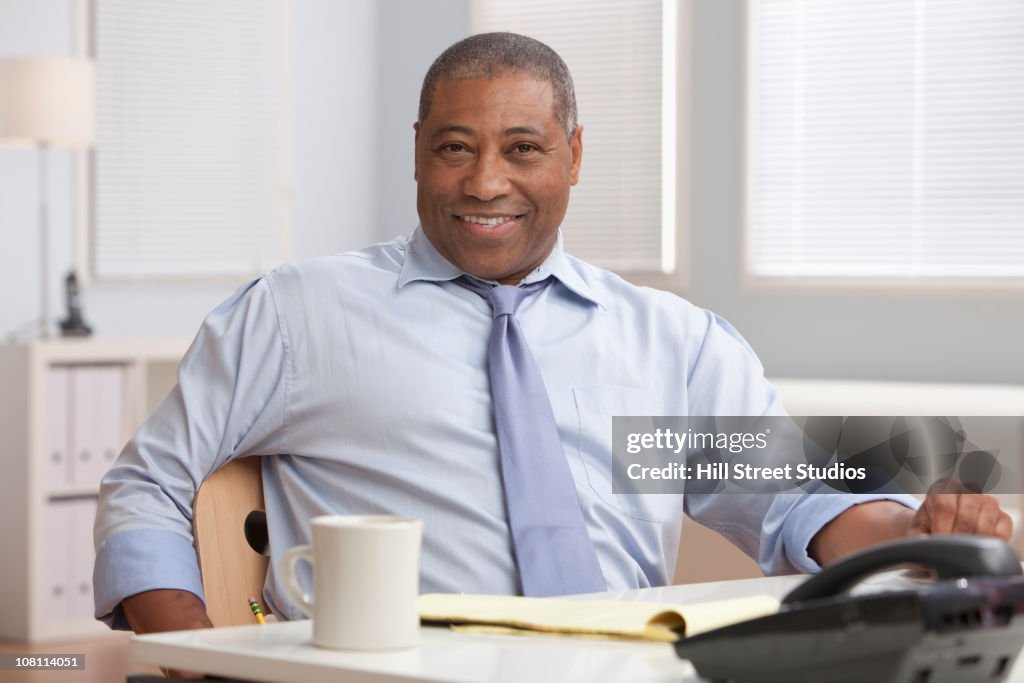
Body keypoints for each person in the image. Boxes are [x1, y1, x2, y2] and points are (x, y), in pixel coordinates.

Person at [95, 32, 1012, 636]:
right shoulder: (303, 313)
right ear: (419, 151)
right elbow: (149, 481)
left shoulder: (669, 344)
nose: (485, 181)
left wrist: (910, 535)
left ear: (573, 155)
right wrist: (195, 655)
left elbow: (789, 502)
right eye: (456, 147)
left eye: (523, 148)